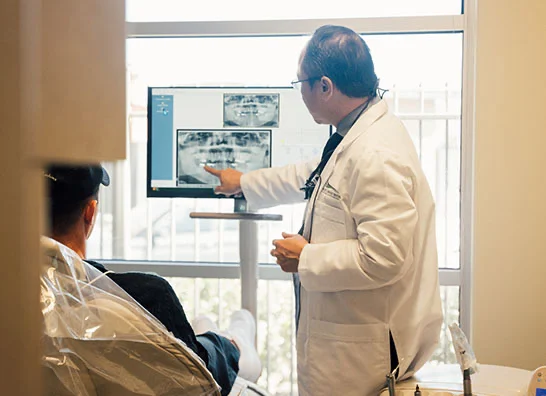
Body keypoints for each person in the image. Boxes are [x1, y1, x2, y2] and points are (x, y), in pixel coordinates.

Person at [204, 25, 443, 395]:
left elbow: (386, 255)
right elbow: (312, 175)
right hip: (352, 346)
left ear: (325, 86)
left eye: (301, 82)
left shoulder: (375, 153)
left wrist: (307, 257)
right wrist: (245, 182)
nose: (299, 91)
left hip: (362, 357)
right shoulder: (356, 135)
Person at [44, 164, 261, 396]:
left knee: (206, 326)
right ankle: (236, 338)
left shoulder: (19, 294)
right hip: (208, 367)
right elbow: (197, 379)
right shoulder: (145, 295)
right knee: (239, 333)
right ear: (90, 212)